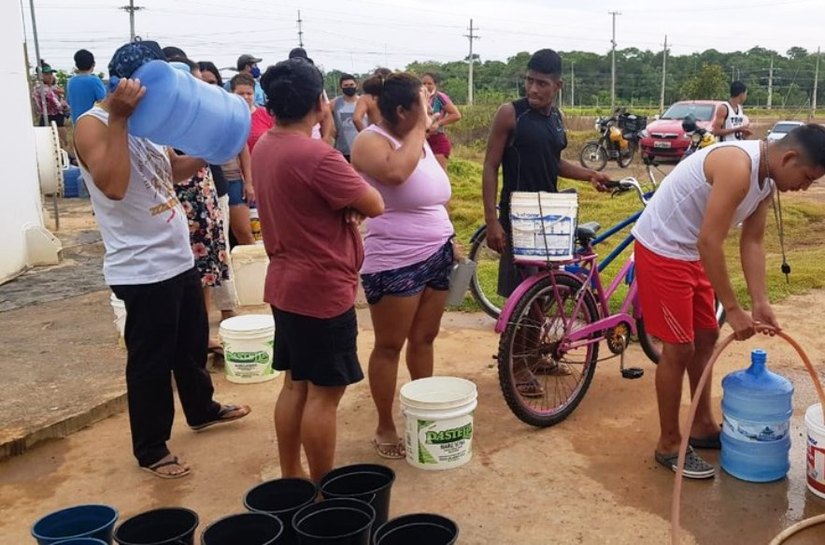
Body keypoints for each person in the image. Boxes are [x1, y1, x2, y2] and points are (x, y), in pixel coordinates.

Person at [73, 41, 250, 479]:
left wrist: (209, 150)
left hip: (175, 255)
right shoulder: (94, 126)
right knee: (150, 360)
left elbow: (167, 173)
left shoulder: (146, 126)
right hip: (140, 265)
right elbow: (114, 185)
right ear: (130, 85)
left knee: (190, 344)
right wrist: (119, 116)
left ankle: (202, 409)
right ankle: (151, 449)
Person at [632, 125, 825, 479]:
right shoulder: (739, 166)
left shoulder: (767, 181)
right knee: (679, 347)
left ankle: (703, 424)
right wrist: (734, 309)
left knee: (706, 337)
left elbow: (752, 241)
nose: (806, 187)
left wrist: (760, 301)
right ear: (790, 158)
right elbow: (710, 241)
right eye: (808, 177)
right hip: (663, 248)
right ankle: (670, 443)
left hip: (690, 251)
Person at [252, 59, 384, 482]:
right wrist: (349, 206)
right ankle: (323, 492)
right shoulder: (317, 156)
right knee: (325, 396)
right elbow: (374, 204)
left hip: (285, 285)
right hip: (322, 289)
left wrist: (343, 206)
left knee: (295, 384)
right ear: (319, 101)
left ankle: (292, 477)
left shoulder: (265, 146)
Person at [482, 49, 610, 397]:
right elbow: (491, 166)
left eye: (542, 83)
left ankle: (534, 355)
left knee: (546, 291)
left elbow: (554, 163)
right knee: (523, 294)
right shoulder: (511, 114)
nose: (533, 89)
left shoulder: (555, 118)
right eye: (530, 81)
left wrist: (589, 175)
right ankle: (518, 364)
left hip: (550, 214)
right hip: (518, 214)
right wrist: (493, 221)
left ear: (557, 85)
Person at [351, 72, 455, 459]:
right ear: (400, 110)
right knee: (390, 345)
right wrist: (420, 128)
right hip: (395, 260)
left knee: (424, 339)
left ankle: (421, 409)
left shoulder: (420, 142)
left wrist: (450, 239)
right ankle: (385, 423)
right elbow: (395, 173)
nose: (429, 110)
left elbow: (433, 195)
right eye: (423, 103)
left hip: (437, 252)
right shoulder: (369, 142)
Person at [169, 58, 233, 355]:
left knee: (205, 271)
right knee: (185, 275)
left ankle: (200, 335)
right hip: (180, 202)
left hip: (203, 195)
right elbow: (175, 167)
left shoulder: (197, 115)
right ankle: (187, 340)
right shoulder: (164, 119)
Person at [222, 73, 257, 245]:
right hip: (212, 181)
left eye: (248, 93)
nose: (245, 97)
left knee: (245, 233)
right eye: (240, 93)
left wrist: (248, 182)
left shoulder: (239, 119)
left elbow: (244, 151)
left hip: (234, 179)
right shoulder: (222, 114)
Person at [288, 48, 333, 144]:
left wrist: (326, 137)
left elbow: (326, 113)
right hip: (291, 140)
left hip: (314, 138)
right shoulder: (285, 88)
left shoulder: (316, 86)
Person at [421, 72, 462, 171]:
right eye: (424, 83)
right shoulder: (417, 97)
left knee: (438, 174)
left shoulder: (439, 97)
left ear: (435, 84)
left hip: (437, 140)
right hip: (421, 141)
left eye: (429, 83)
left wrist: (438, 123)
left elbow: (456, 115)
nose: (426, 86)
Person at [32, 63, 70, 150]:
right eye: (47, 74)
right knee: (60, 145)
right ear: (40, 76)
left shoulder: (50, 87)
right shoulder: (42, 89)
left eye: (51, 74)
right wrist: (65, 107)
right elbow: (58, 105)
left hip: (48, 118)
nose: (50, 76)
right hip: (53, 118)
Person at [66, 49, 106, 125]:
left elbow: (68, 101)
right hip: (91, 123)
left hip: (76, 123)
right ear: (93, 64)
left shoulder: (71, 81)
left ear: (76, 65)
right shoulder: (95, 81)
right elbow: (104, 101)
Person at [330, 73, 361, 161]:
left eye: (351, 85)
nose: (349, 87)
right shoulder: (334, 103)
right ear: (341, 88)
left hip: (361, 148)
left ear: (356, 85)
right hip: (342, 150)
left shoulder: (363, 102)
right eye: (346, 85)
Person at [354, 67, 391, 132]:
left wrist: (366, 134)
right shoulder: (396, 96)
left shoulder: (366, 98)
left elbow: (356, 119)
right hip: (396, 137)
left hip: (376, 134)